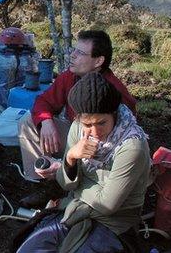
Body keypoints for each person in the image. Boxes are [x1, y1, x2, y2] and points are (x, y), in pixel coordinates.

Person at [16, 72, 150, 253]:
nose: (94, 132)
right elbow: (66, 183)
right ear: (79, 118)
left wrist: (78, 187)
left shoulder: (131, 146)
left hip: (114, 222)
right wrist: (71, 157)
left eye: (101, 123)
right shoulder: (78, 128)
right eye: (88, 124)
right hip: (75, 209)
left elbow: (107, 205)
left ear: (114, 114)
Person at [18, 30, 137, 208]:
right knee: (29, 121)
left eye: (80, 53)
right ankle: (45, 184)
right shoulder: (70, 76)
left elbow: (119, 138)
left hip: (102, 146)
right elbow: (43, 101)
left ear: (98, 61)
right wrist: (47, 121)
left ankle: (74, 186)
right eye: (75, 50)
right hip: (76, 135)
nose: (72, 56)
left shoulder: (113, 91)